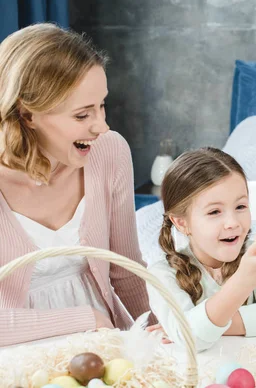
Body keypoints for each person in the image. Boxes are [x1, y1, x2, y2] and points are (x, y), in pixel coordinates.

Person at [0, 23, 154, 346]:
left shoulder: (109, 151)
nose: (102, 126)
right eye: (83, 115)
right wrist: (86, 318)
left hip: (105, 347)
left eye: (102, 106)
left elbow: (125, 271)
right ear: (27, 115)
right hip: (16, 357)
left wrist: (154, 337)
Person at [147, 148, 256, 350]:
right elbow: (192, 338)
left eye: (240, 207)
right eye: (214, 211)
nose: (232, 222)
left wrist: (199, 325)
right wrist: (243, 281)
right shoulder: (162, 274)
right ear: (182, 223)